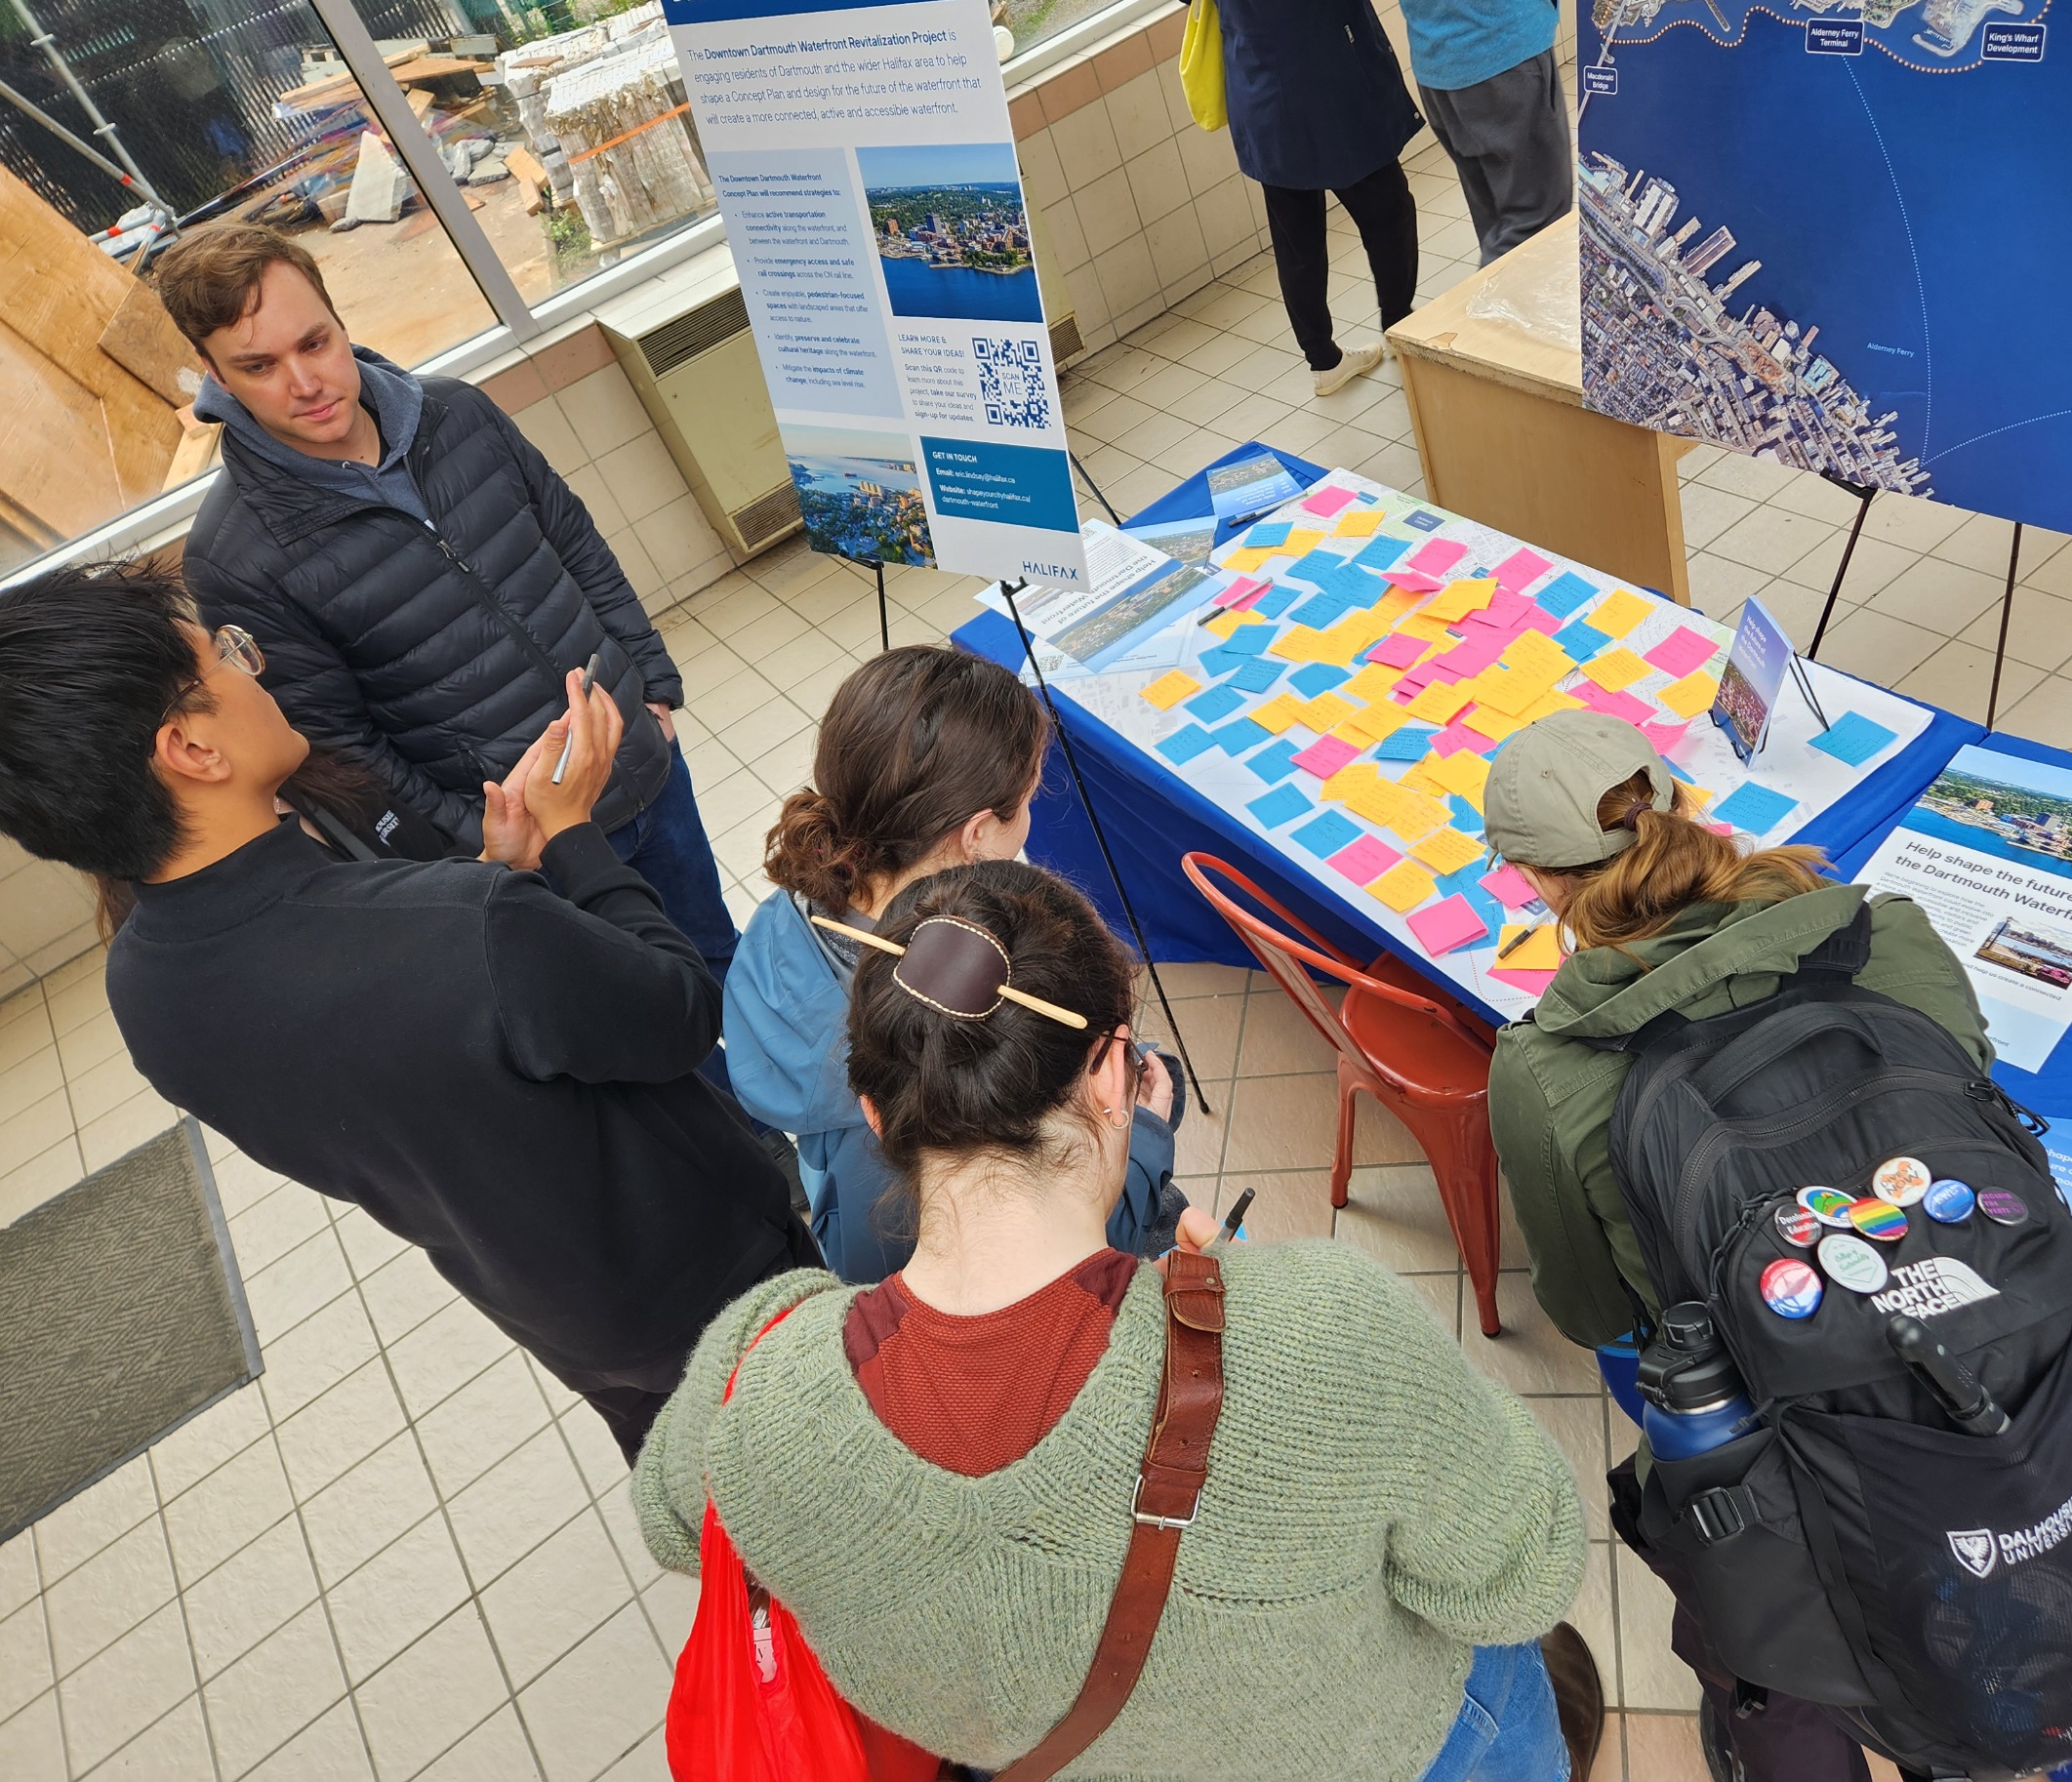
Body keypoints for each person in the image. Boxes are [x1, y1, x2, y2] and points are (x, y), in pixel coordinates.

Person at [635, 859, 1605, 1781]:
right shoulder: (1326, 1329)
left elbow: (674, 1523)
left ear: (874, 1116)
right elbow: (1521, 1576)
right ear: (1110, 1078)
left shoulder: (755, 1374)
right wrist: (1247, 1311)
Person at [0, 560, 814, 1458]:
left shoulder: (144, 995)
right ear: (193, 750)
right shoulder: (467, 928)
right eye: (226, 657)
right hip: (710, 1270)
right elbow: (682, 1012)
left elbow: (391, 1048)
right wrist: (574, 838)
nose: (251, 668)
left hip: (552, 1304)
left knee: (713, 1492)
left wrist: (496, 879)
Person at [1480, 710, 1990, 1782]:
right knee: (1958, 1585)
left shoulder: (1544, 1069)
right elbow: (1976, 1107)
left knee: (1770, 1642)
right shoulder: (1880, 930)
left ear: (1534, 881)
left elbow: (1593, 1313)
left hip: (1768, 1437)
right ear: (1676, 801)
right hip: (1970, 1365)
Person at [153, 223, 741, 990]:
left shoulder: (459, 414)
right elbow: (341, 748)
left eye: (316, 343)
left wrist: (652, 690)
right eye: (259, 366)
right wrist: (484, 841)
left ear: (339, 321)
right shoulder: (238, 556)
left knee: (718, 956)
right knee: (649, 1013)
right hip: (533, 840)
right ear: (214, 376)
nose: (305, 383)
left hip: (638, 757)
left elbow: (577, 545)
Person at [724, 644, 1189, 1278]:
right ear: (973, 835)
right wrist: (1144, 1145)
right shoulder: (943, 1046)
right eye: (1025, 802)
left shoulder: (790, 914)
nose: (1029, 820)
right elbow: (1040, 1257)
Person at [1167, 0, 1423, 395]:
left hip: (1260, 99)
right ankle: (1399, 325)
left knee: (1297, 242)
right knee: (1387, 210)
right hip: (1329, 93)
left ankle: (1323, 360)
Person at [1355, 0, 1570, 263]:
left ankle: (1500, 310)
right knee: (1535, 226)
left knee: (1495, 219)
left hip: (1436, 61)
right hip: (1501, 48)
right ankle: (1480, 315)